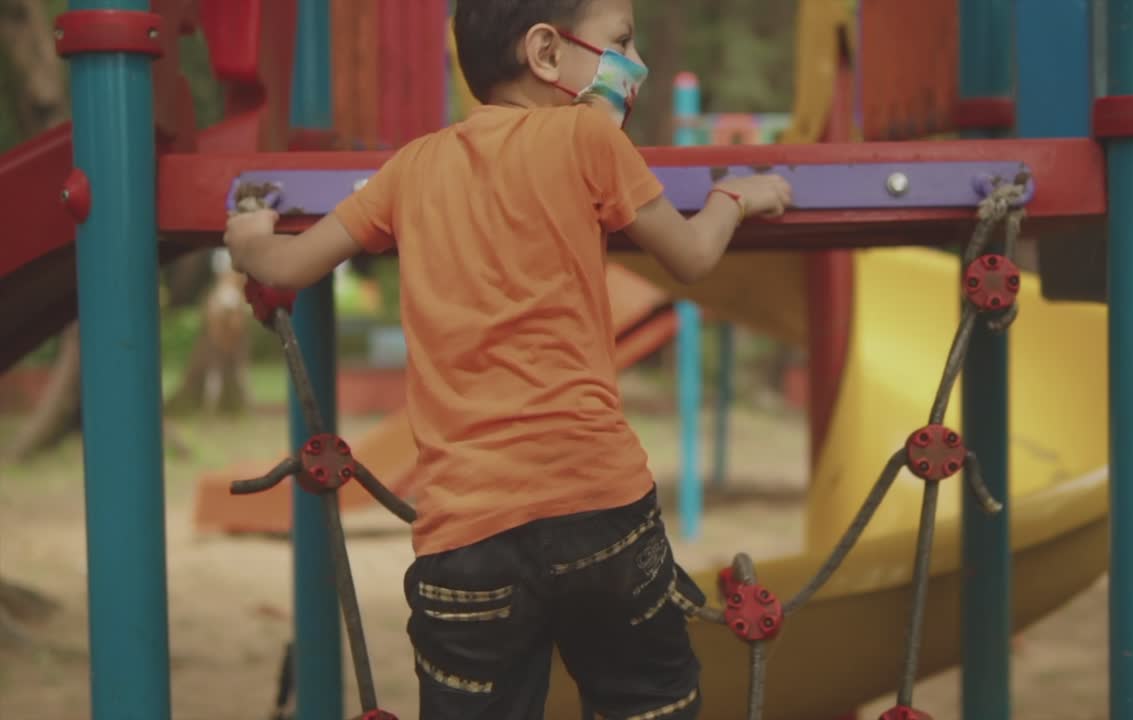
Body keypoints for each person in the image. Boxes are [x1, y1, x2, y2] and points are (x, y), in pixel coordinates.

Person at [224, 0, 793, 716]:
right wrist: (735, 196)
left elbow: (286, 266)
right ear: (546, 53)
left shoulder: (410, 168)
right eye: (622, 43)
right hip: (597, 506)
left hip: (466, 537)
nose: (636, 65)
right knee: (649, 702)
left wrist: (249, 237)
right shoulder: (589, 136)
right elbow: (692, 256)